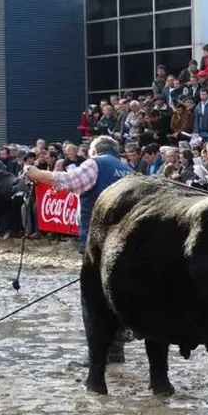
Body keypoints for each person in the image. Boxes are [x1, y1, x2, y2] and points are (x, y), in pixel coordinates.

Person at [22, 135, 130, 364]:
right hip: (124, 243)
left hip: (98, 241)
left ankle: (97, 356)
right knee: (114, 297)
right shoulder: (126, 168)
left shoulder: (97, 163)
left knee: (93, 301)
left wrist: (36, 174)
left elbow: (70, 181)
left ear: (96, 150)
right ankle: (115, 352)